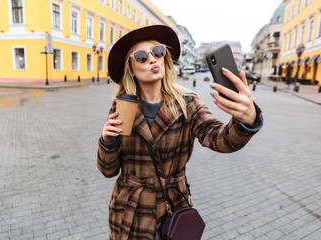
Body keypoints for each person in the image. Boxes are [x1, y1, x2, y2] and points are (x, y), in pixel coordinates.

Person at [97, 25, 263, 240]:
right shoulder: (122, 107)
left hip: (173, 208)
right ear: (130, 68)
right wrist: (108, 142)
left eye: (158, 52)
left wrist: (245, 120)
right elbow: (108, 170)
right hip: (130, 213)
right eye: (141, 56)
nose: (152, 59)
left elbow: (219, 138)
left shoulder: (188, 102)